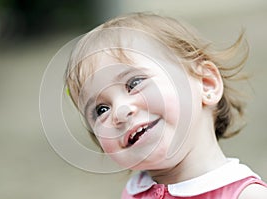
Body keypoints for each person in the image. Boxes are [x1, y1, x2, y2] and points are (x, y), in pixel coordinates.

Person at [64, 13, 267, 198]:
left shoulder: (246, 195)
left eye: (134, 83)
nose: (119, 111)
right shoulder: (133, 192)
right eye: (101, 110)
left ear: (206, 83)